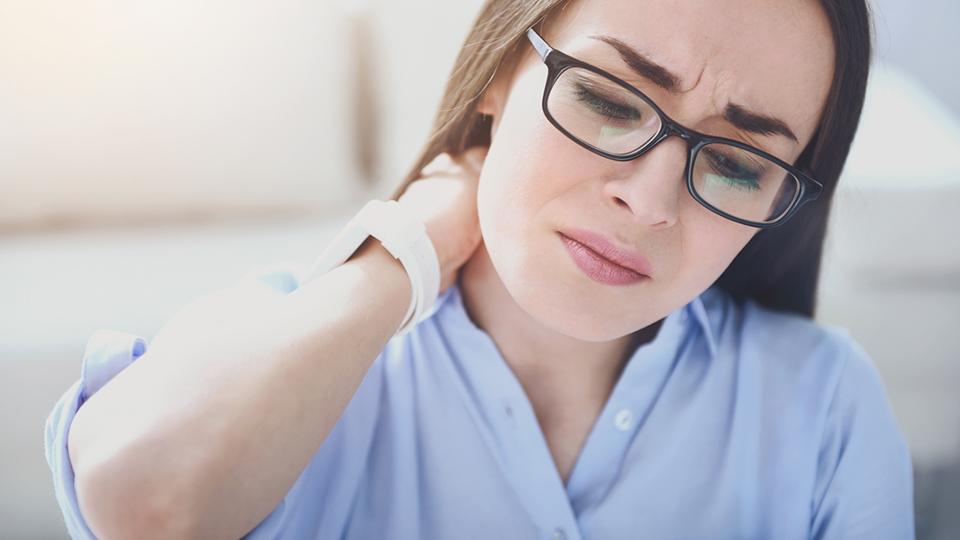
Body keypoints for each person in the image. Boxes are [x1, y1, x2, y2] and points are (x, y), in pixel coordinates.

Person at [45, 0, 915, 538]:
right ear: (499, 74)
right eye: (608, 100)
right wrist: (403, 250)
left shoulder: (823, 406)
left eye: (734, 166)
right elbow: (143, 502)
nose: (651, 203)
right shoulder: (292, 348)